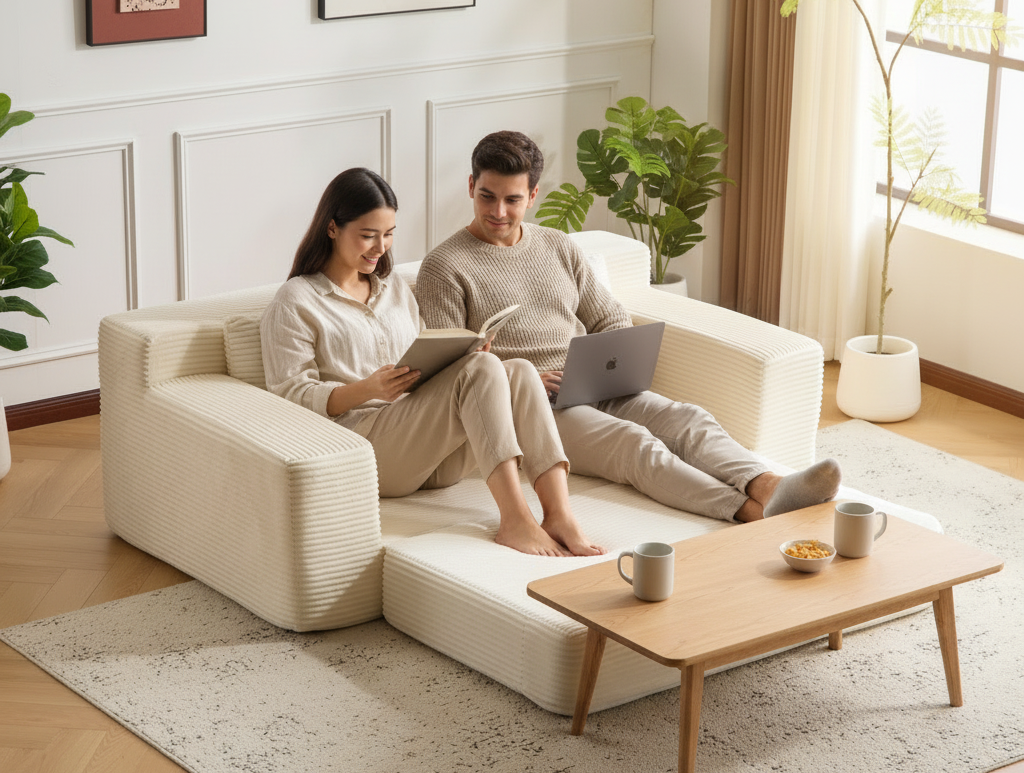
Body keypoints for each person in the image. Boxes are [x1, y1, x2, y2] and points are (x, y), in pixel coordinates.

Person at [414, 132, 841, 524]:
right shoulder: (445, 266)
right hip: (531, 409)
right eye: (487, 196)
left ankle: (770, 487)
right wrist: (524, 379)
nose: (498, 212)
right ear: (471, 186)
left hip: (590, 383)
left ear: (533, 195)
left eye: (512, 200)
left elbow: (610, 317)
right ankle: (752, 514)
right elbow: (459, 373)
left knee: (690, 419)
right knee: (634, 445)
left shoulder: (559, 246)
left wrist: (602, 367)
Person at [260, 166, 603, 558]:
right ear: (333, 228)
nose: (380, 248)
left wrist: (463, 356)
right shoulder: (296, 300)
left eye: (388, 235)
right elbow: (288, 394)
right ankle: (515, 520)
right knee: (483, 370)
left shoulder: (394, 292)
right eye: (368, 236)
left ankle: (559, 514)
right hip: (368, 450)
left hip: (429, 454)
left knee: (518, 370)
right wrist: (366, 389)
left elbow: (427, 355)